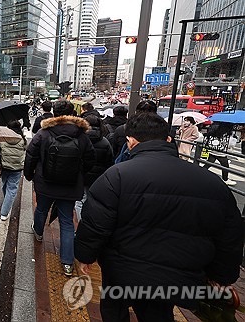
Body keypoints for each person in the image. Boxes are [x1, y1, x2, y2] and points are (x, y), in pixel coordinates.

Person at [75, 112, 243, 321]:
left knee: (114, 310)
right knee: (158, 314)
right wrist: (222, 276)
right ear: (169, 140)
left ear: (131, 141)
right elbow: (230, 236)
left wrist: (85, 255)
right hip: (177, 274)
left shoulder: (117, 175)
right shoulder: (212, 183)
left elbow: (96, 223)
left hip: (123, 269)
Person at [24, 100, 95, 276]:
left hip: (45, 183)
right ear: (72, 113)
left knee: (41, 209)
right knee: (67, 221)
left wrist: (29, 174)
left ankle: (38, 233)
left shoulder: (43, 133)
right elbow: (90, 161)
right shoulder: (81, 135)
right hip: (70, 186)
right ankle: (67, 263)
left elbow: (31, 155)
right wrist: (78, 174)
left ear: (54, 114)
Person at [74, 115, 113, 222]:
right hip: (98, 177)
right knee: (92, 200)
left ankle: (81, 223)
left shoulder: (79, 139)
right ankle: (88, 222)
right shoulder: (105, 142)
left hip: (81, 174)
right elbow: (109, 161)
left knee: (79, 200)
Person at [0, 120, 26, 221]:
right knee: (11, 189)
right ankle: (4, 213)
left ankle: (6, 203)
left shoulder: (3, 139)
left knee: (5, 185)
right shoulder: (22, 140)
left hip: (4, 167)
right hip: (17, 168)